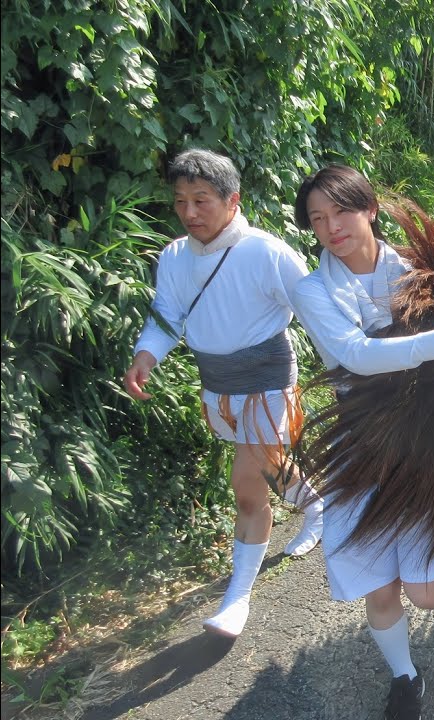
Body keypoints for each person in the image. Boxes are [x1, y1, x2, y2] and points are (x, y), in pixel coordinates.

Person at [288, 166, 434, 718]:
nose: (331, 227)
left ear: (370, 208)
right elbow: (356, 356)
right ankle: (406, 677)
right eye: (317, 219)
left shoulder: (420, 267)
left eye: (341, 212)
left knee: (425, 586)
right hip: (361, 445)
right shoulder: (312, 290)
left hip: (424, 441)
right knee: (379, 588)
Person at [123, 148, 323, 638]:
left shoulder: (266, 251)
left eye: (202, 200)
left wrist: (351, 364)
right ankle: (320, 504)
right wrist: (145, 356)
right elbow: (166, 316)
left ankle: (237, 599)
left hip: (268, 381)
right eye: (181, 201)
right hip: (217, 386)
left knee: (246, 485)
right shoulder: (173, 256)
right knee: (267, 459)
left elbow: (317, 308)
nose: (190, 213)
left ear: (232, 201)